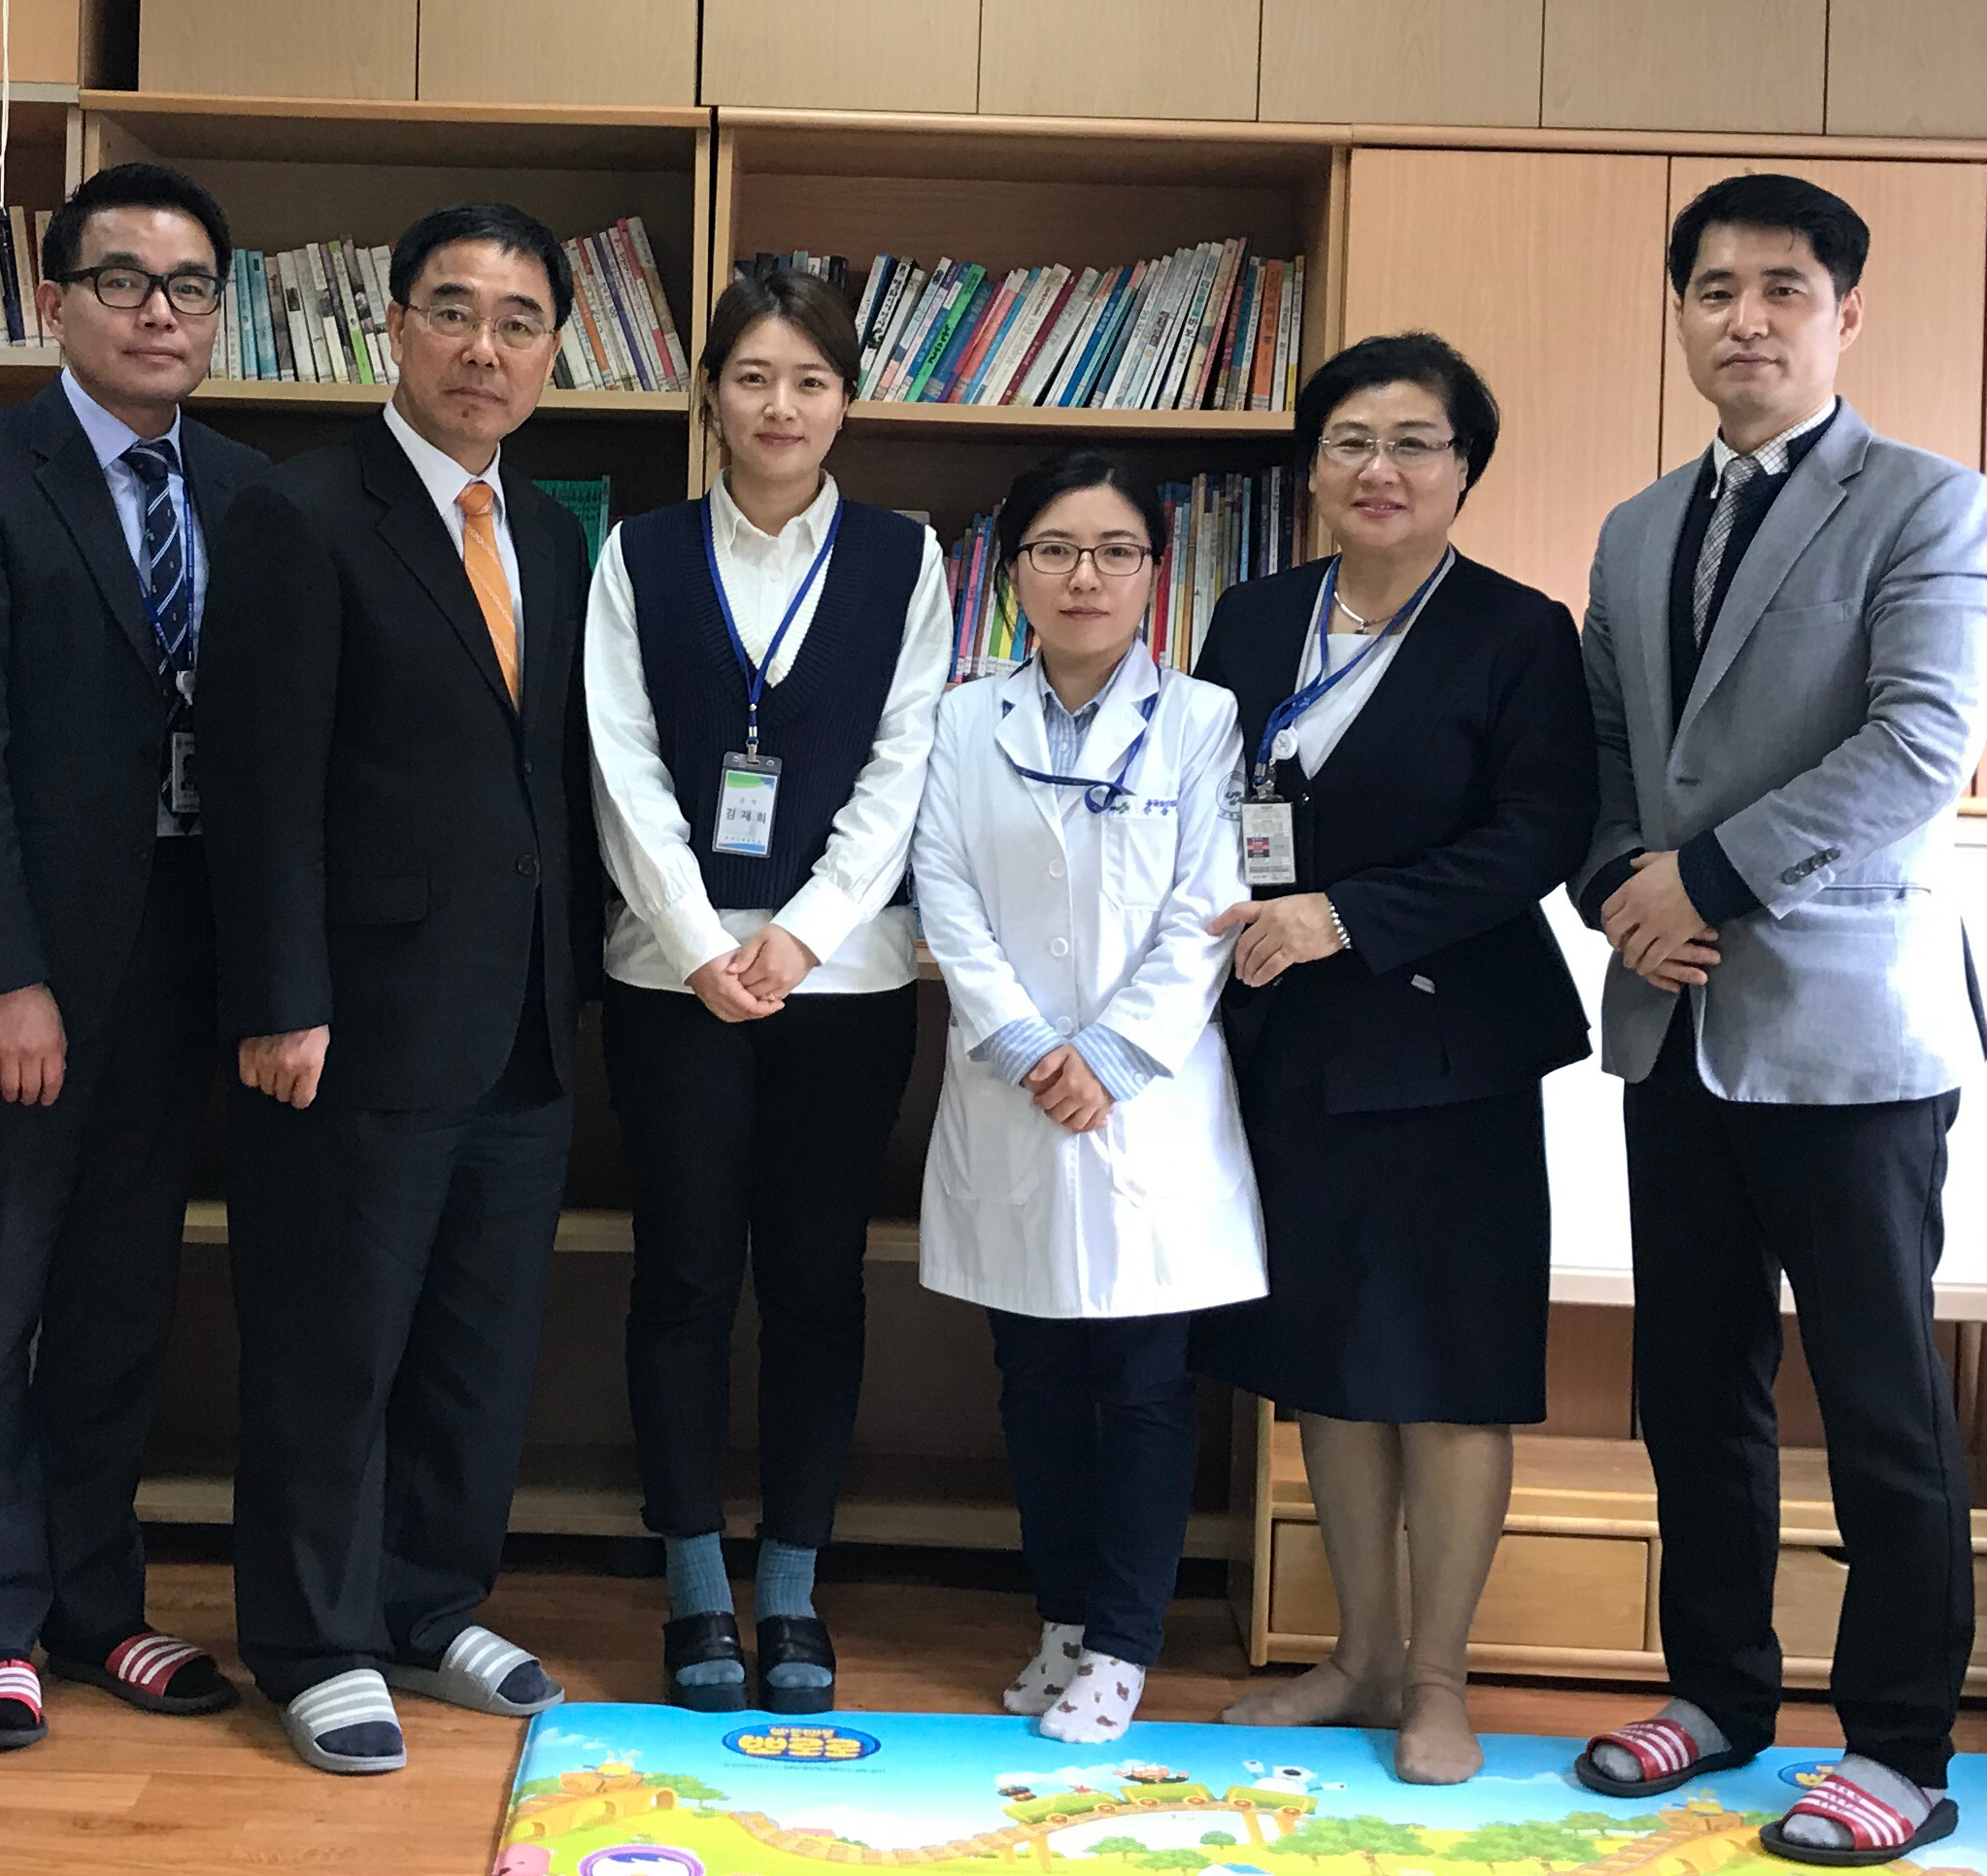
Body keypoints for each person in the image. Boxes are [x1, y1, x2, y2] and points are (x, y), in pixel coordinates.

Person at [1567, 173, 1987, 1863]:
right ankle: (1719, 1695)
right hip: (1673, 1019)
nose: (1743, 318)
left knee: (1884, 1403)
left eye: (1782, 289)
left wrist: (1706, 878)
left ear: (1846, 314)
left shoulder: (1932, 505)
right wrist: (1617, 883)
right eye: (1712, 289)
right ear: (1679, 312)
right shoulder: (1634, 529)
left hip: (1852, 1034)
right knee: (1695, 1390)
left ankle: (1901, 1747)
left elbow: (1919, 748)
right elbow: (1608, 752)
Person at [196, 202, 597, 1777]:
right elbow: (259, 783)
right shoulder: (302, 513)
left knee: (475, 1347)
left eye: (519, 321)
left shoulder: (553, 532)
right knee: (332, 1343)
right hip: (350, 1019)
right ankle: (314, 1639)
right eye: (454, 312)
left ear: (552, 351)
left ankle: (430, 1608)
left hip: (519, 1020)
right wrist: (277, 997)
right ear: (394, 329)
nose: (485, 348)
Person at [0, 161, 267, 1752]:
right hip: (28, 971)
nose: (157, 313)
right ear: (56, 300)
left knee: (123, 1299)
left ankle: (96, 1604)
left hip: (184, 956)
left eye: (187, 287)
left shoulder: (247, 489)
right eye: (122, 281)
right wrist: (5, 975)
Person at [1191, 333, 1597, 1782]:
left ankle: (1438, 1680)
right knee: (1330, 1365)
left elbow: (1536, 836)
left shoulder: (1518, 631)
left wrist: (1343, 916)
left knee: (1451, 1371)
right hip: (1289, 1043)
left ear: (1464, 469)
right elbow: (1203, 797)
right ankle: (1358, 1656)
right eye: (1352, 442)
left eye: (1416, 443)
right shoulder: (1254, 617)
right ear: (1313, 468)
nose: (1382, 469)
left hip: (1447, 1050)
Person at [588, 264, 950, 1716]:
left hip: (845, 978)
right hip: (667, 977)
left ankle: (792, 1587)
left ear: (846, 400)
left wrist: (799, 936)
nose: (780, 406)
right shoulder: (639, 553)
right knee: (681, 1275)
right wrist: (697, 938)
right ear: (711, 396)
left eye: (810, 381)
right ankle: (692, 1587)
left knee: (814, 1283)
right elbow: (619, 760)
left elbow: (904, 764)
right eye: (752, 378)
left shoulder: (905, 558)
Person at [910, 451, 1261, 1745]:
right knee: (1035, 1376)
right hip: (1013, 1090)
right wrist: (1022, 1041)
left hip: (1144, 1102)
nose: (1084, 577)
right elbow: (942, 884)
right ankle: (1060, 1618)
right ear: (1014, 572)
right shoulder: (963, 720)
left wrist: (1106, 1058)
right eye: (1055, 550)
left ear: (1154, 574)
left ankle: (1122, 1642)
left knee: (1144, 1384)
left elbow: (1211, 904)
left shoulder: (1205, 720)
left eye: (1115, 551)